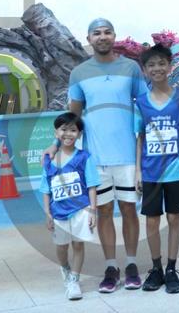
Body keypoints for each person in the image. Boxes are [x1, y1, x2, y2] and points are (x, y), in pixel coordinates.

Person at [48, 18, 148, 293]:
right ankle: (111, 267)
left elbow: (145, 106)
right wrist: (56, 145)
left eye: (107, 32)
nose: (102, 37)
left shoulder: (130, 68)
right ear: (89, 39)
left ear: (114, 36)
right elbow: (73, 116)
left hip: (128, 157)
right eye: (97, 33)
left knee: (129, 210)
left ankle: (131, 265)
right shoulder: (79, 73)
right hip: (95, 158)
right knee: (103, 212)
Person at [135, 44, 179, 294]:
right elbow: (139, 138)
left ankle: (172, 269)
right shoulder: (141, 103)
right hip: (150, 172)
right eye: (151, 65)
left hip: (177, 170)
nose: (157, 68)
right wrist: (137, 172)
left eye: (161, 63)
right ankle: (156, 269)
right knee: (152, 221)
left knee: (174, 218)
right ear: (144, 70)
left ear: (169, 67)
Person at [40, 112, 100, 301]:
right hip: (58, 213)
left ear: (79, 134)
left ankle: (74, 279)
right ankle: (65, 267)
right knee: (61, 246)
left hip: (81, 209)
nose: (68, 134)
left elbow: (91, 186)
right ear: (56, 133)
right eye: (63, 129)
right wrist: (48, 213)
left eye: (73, 130)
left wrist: (93, 211)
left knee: (78, 244)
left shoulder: (84, 157)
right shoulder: (48, 160)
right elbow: (46, 189)